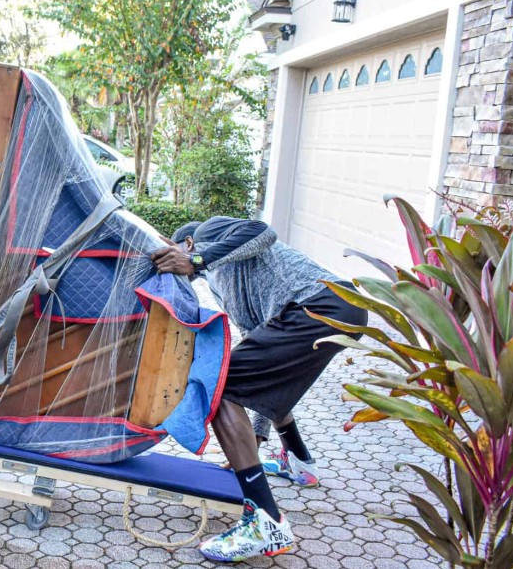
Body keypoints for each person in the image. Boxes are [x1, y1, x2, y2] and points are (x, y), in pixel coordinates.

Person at [151, 217, 367, 563]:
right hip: (338, 310)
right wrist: (254, 439)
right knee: (253, 380)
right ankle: (299, 462)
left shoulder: (207, 235)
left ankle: (264, 521)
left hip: (317, 305)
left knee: (220, 385)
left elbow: (261, 231)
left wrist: (195, 260)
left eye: (174, 253)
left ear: (187, 243)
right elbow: (256, 345)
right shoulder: (221, 280)